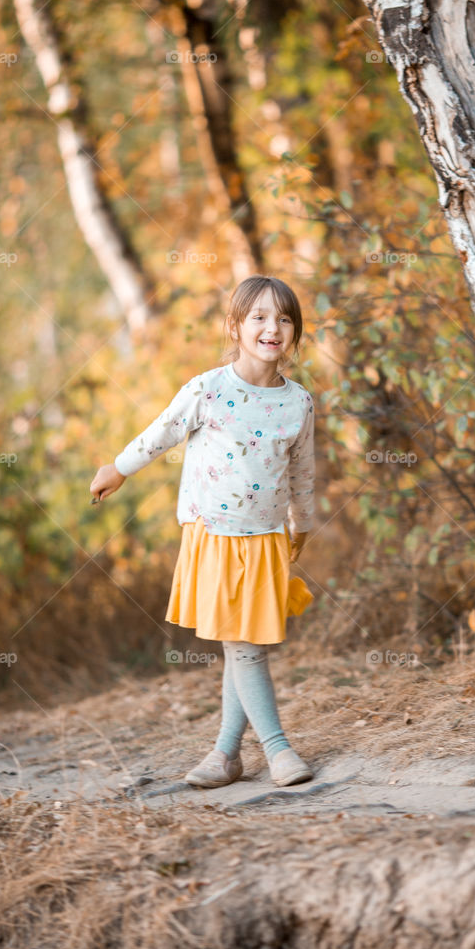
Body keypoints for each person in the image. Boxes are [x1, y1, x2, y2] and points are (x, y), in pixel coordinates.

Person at [89, 275, 317, 789]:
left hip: (265, 539)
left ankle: (225, 756)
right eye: (258, 317)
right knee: (244, 647)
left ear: (294, 332)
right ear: (236, 327)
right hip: (213, 534)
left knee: (244, 646)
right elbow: (161, 431)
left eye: (283, 318)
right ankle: (278, 751)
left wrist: (303, 522)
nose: (271, 328)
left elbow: (304, 471)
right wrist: (118, 468)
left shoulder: (297, 403)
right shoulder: (208, 389)